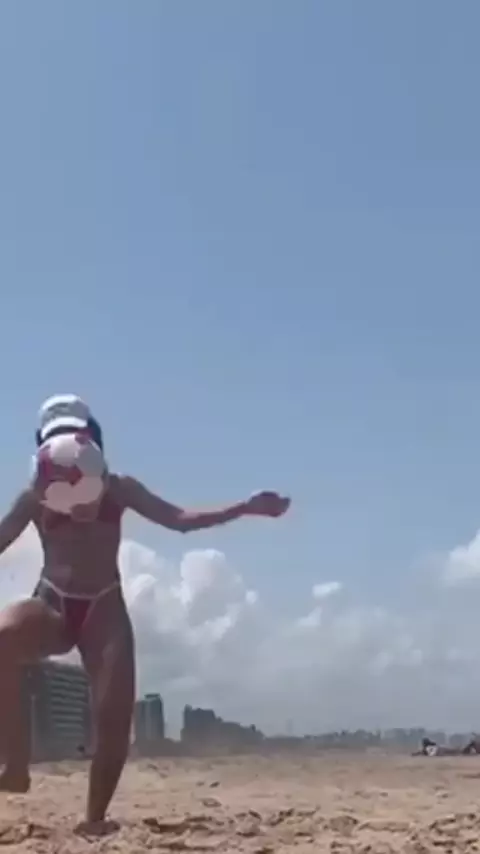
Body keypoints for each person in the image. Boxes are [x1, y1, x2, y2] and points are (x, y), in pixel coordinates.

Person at [0, 394, 290, 833]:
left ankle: (94, 819)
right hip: (53, 601)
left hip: (103, 607)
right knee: (3, 637)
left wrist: (243, 508)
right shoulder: (34, 496)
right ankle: (16, 767)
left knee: (115, 717)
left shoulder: (119, 489)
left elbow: (179, 519)